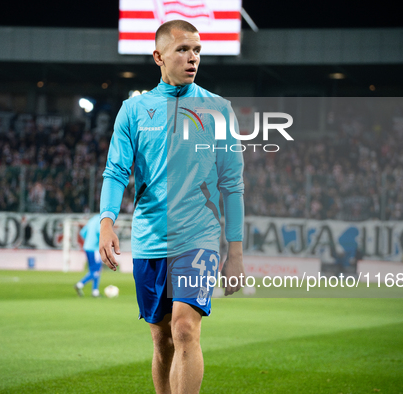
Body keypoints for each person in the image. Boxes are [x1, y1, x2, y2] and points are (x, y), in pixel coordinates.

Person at [99, 20, 245, 394]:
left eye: (197, 50)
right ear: (158, 56)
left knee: (184, 328)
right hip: (150, 238)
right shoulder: (133, 111)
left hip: (199, 236)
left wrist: (236, 251)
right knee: (161, 340)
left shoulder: (218, 109)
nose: (192, 57)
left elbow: (232, 184)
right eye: (182, 50)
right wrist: (107, 221)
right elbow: (116, 170)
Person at [75, 214, 102, 297]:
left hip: (87, 247)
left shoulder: (92, 219)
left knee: (93, 270)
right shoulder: (102, 220)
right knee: (96, 270)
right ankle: (80, 284)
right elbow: (99, 232)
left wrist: (89, 240)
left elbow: (82, 232)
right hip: (95, 249)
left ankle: (95, 291)